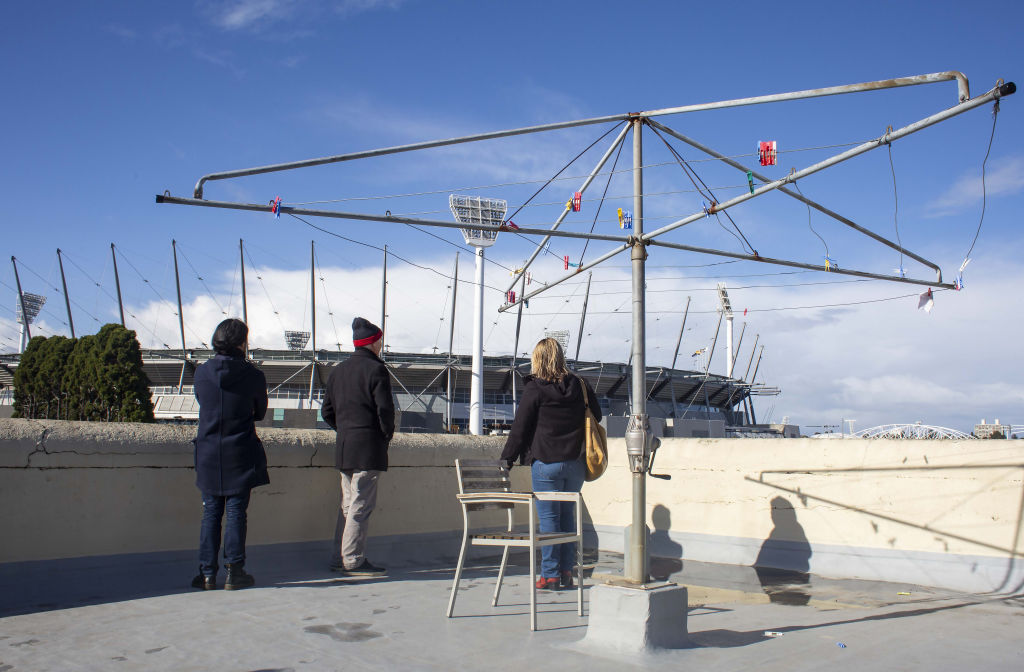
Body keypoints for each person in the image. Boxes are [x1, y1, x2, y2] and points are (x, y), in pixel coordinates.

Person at [500, 337, 601, 590]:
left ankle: (550, 575)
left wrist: (507, 460)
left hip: (546, 463)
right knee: (568, 520)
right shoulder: (580, 384)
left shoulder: (536, 388)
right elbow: (597, 414)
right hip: (576, 464)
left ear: (537, 359)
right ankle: (567, 572)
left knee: (549, 522)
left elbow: (520, 428)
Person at [191, 318, 269, 591]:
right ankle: (235, 572)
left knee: (210, 512)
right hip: (240, 450)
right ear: (241, 343)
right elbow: (259, 412)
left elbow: (203, 402)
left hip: (209, 451)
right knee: (236, 512)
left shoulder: (201, 373)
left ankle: (206, 574)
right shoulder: (254, 376)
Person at [321, 317, 394, 576]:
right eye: (379, 341)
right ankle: (352, 559)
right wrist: (384, 437)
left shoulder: (337, 371)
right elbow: (385, 411)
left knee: (348, 504)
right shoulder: (376, 370)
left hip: (345, 446)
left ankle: (337, 557)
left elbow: (326, 412)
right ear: (373, 343)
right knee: (361, 505)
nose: (381, 345)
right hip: (368, 447)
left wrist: (345, 431)